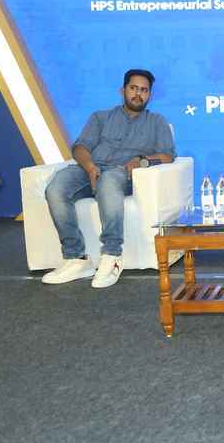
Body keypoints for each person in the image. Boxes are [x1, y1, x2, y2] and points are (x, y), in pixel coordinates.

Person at [42, 69, 175, 288]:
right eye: (133, 88)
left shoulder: (157, 122)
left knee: (108, 181)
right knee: (55, 189)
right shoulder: (100, 117)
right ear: (123, 90)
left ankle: (112, 255)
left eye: (144, 90)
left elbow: (168, 155)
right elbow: (80, 147)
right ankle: (76, 258)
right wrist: (89, 167)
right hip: (90, 168)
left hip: (121, 173)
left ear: (150, 95)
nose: (138, 94)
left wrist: (142, 159)